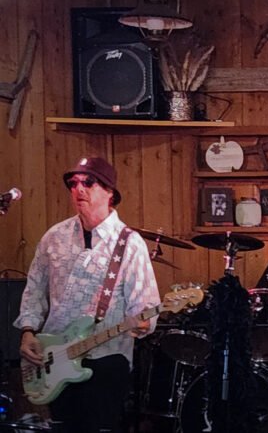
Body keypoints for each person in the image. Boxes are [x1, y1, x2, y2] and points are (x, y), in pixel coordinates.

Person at [16, 157, 160, 433]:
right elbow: (34, 289)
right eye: (73, 183)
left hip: (106, 360)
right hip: (54, 359)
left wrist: (142, 323)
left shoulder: (129, 243)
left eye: (88, 182)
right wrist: (27, 331)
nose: (78, 189)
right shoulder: (54, 237)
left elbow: (146, 306)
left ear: (109, 192)